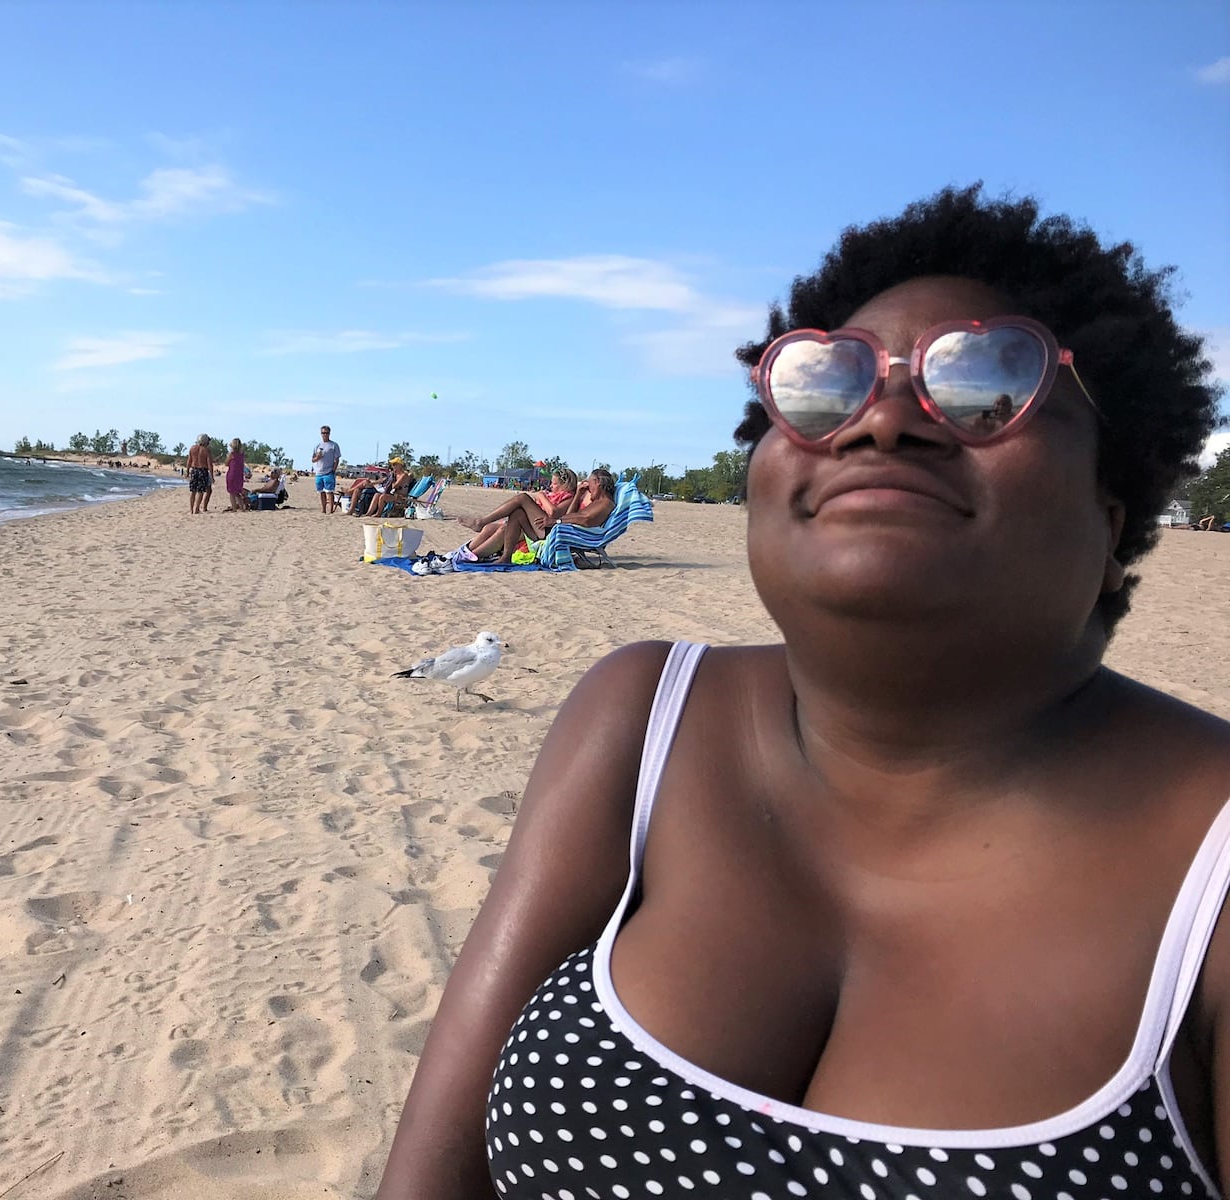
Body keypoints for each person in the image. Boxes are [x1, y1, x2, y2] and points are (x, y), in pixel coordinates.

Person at [376, 185, 1228, 1200]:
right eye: (828, 384)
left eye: (987, 383)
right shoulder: (642, 717)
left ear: (1112, 504)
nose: (884, 421)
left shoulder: (1208, 879)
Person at [457, 467, 581, 560]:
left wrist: (541, 496)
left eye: (554, 484)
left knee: (522, 498)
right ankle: (465, 552)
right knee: (505, 520)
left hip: (548, 530)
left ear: (565, 484)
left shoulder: (570, 498)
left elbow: (553, 513)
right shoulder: (553, 495)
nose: (550, 486)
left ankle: (479, 530)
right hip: (538, 526)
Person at [312, 425, 342, 514]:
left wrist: (333, 469)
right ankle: (323, 509)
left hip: (329, 471)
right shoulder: (317, 445)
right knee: (321, 492)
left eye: (326, 433)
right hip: (319, 472)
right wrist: (317, 457)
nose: (324, 434)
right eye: (323, 433)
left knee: (329, 491)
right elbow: (313, 459)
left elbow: (337, 459)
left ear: (329, 433)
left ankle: (331, 509)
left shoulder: (333, 445)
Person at [185, 434, 214, 515]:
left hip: (194, 470)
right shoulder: (206, 450)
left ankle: (191, 510)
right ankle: (196, 509)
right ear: (205, 441)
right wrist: (212, 475)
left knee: (193, 491)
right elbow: (209, 464)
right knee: (200, 491)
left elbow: (189, 461)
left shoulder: (192, 448)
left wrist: (187, 471)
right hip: (202, 470)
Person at [222, 438, 247, 512]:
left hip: (232, 474)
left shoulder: (232, 454)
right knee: (238, 492)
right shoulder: (242, 455)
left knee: (232, 492)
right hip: (239, 475)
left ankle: (234, 508)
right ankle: (242, 508)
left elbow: (226, 463)